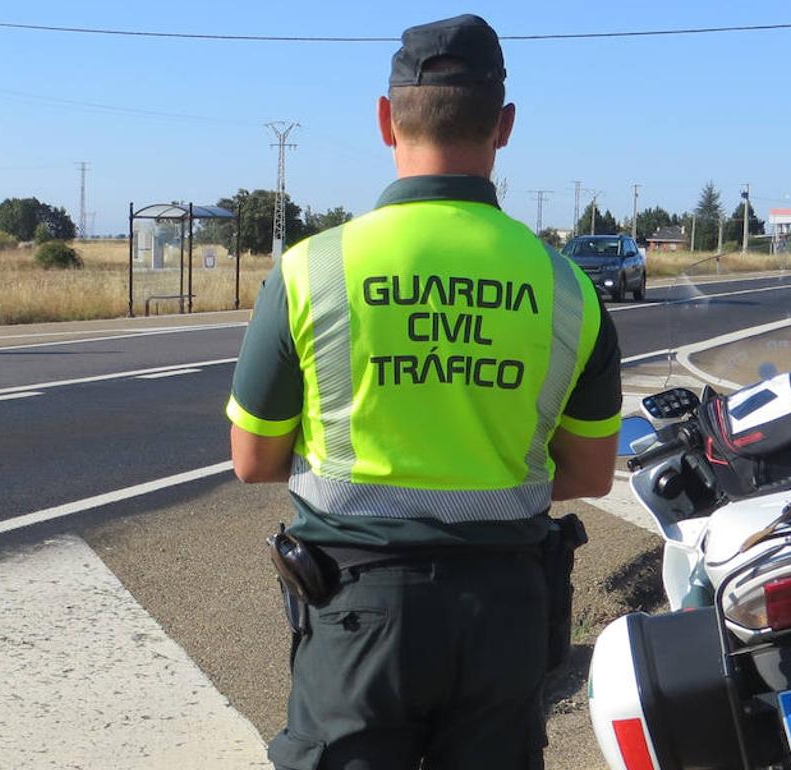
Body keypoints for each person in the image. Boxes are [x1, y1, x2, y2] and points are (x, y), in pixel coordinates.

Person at [225, 13, 622, 770]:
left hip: (354, 616)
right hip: (506, 612)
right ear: (503, 127)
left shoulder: (312, 271)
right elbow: (590, 474)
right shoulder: (568, 288)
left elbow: (251, 458)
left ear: (385, 120)